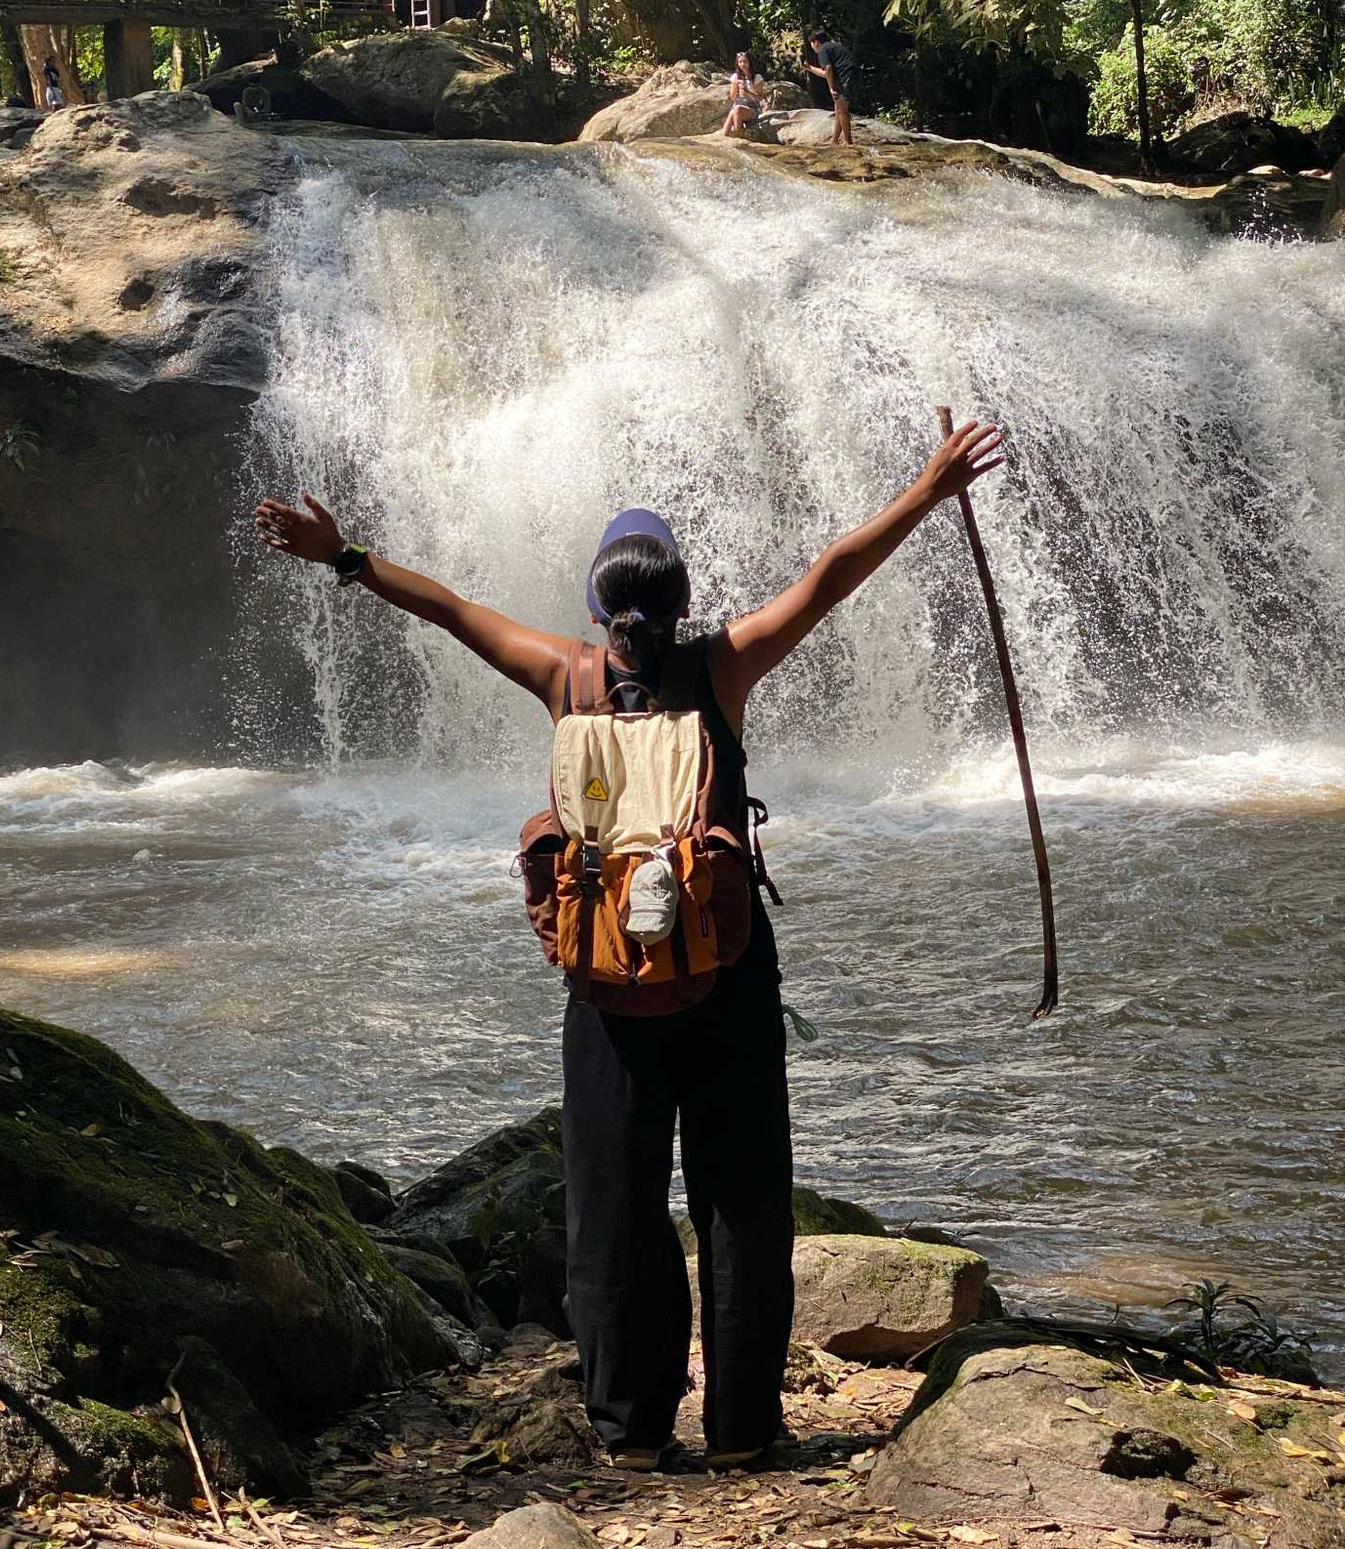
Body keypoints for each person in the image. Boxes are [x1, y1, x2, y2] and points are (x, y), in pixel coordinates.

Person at [253, 417, 1003, 1469]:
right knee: (742, 1197)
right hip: (726, 967)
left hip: (606, 975)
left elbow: (450, 610)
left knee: (612, 1203)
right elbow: (829, 577)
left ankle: (631, 1429)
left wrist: (343, 554)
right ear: (682, 600)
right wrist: (926, 491)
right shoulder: (722, 668)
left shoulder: (564, 674)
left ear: (599, 609)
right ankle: (742, 1431)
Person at [804, 26, 853, 147]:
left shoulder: (822, 49)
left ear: (815, 42)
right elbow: (826, 73)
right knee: (838, 109)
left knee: (842, 109)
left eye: (811, 44)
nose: (812, 47)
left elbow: (828, 68)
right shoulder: (832, 47)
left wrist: (831, 88)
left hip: (845, 78)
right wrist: (809, 68)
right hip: (850, 76)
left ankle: (848, 142)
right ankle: (834, 140)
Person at [721, 49, 767, 139]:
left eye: (745, 61)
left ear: (749, 62)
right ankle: (735, 133)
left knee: (737, 109)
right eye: (740, 62)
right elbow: (732, 98)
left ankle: (738, 134)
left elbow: (760, 98)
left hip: (753, 108)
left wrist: (747, 91)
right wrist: (735, 87)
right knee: (726, 130)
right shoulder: (735, 77)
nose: (743, 64)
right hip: (737, 106)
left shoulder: (756, 77)